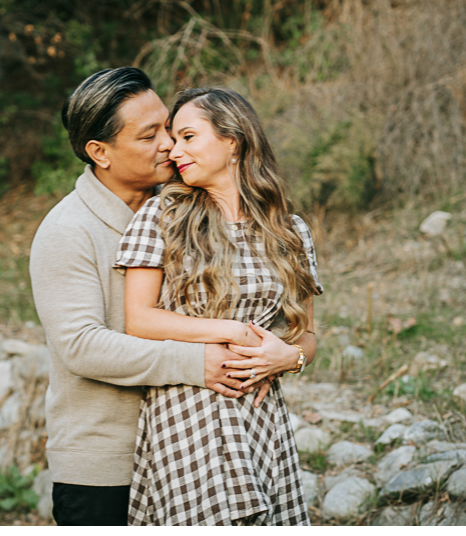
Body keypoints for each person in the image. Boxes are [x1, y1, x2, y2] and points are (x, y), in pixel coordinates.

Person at [29, 68, 265, 528]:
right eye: (149, 135)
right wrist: (195, 362)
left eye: (171, 128)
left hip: (192, 453)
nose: (170, 145)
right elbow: (81, 345)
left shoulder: (188, 209)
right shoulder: (66, 232)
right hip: (106, 468)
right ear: (100, 152)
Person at [115, 86, 322, 526]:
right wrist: (231, 332)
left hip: (259, 412)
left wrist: (290, 357)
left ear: (233, 141)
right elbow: (139, 319)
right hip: (188, 410)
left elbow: (305, 333)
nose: (173, 148)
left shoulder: (290, 230)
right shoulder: (161, 215)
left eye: (188, 136)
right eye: (174, 138)